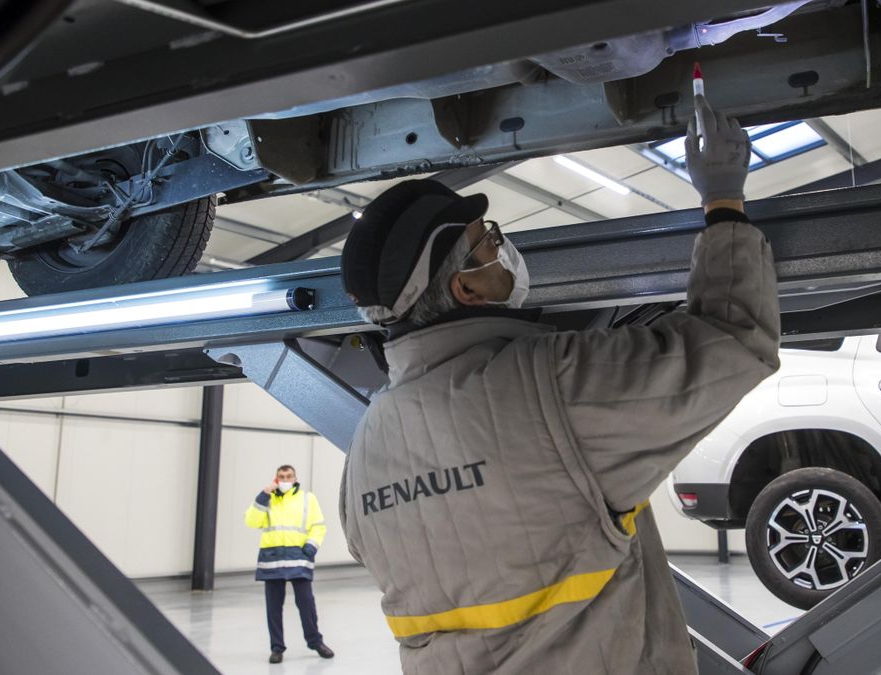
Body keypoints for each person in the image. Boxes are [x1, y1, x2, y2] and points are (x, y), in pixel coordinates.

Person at [338, 94, 779, 674]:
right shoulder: (551, 385)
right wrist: (723, 201)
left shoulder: (364, 452)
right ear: (466, 289)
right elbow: (733, 340)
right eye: (488, 242)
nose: (501, 249)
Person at [244, 464, 336, 664]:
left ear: (295, 479)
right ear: (276, 479)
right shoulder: (268, 499)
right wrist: (263, 495)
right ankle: (277, 648)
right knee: (273, 608)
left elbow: (319, 526)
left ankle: (315, 642)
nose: (285, 480)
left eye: (289, 476)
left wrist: (310, 548)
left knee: (306, 604)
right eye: (281, 477)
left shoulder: (307, 499)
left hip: (298, 558)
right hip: (272, 561)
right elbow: (252, 521)